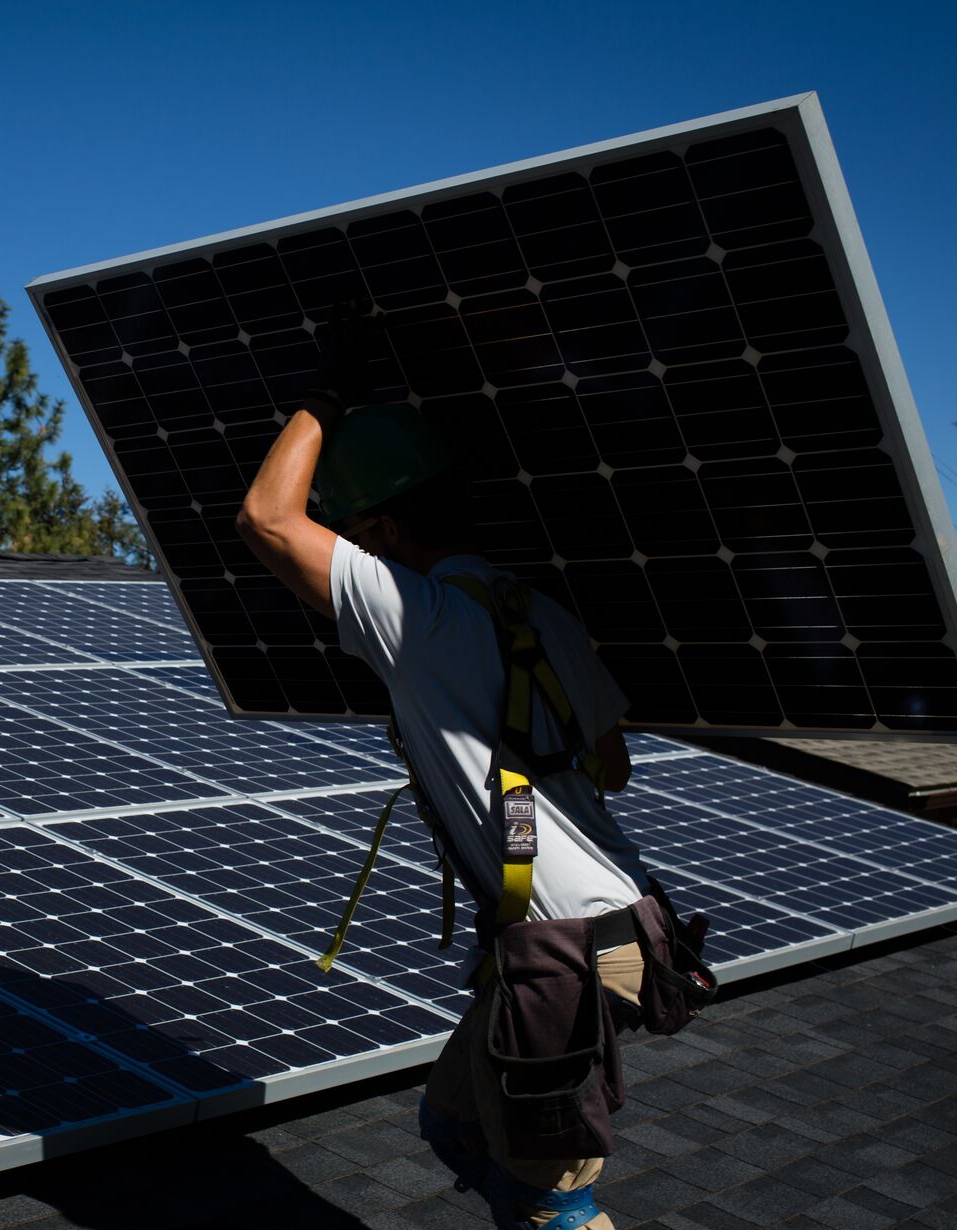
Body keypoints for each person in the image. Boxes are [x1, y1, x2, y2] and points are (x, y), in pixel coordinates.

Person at [234, 329, 669, 1229]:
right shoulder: (539, 611)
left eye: (357, 536)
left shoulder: (418, 616)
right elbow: (614, 768)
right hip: (628, 925)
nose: (353, 554)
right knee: (453, 1120)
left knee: (557, 1207)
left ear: (387, 529)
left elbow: (269, 521)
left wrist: (326, 395)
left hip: (562, 956)